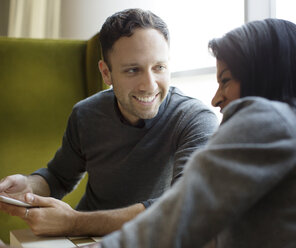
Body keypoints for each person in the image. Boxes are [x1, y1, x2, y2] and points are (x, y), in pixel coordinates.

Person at [75, 18, 296, 247]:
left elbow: (184, 211)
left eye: (226, 80)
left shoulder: (268, 117)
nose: (216, 98)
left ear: (263, 77)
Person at [0, 8, 218, 236]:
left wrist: (75, 222)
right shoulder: (85, 114)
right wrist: (28, 186)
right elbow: (58, 177)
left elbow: (184, 205)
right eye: (133, 70)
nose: (150, 85)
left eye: (159, 67)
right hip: (85, 239)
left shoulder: (195, 120)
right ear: (106, 73)